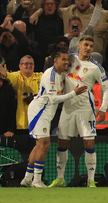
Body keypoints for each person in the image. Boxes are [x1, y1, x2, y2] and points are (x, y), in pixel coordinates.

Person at [20, 44, 87, 188]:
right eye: (63, 59)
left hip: (46, 112)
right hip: (39, 111)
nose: (66, 62)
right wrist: (74, 93)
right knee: (44, 144)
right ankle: (37, 181)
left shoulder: (61, 74)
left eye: (67, 59)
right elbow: (53, 99)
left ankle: (27, 179)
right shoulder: (50, 74)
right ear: (55, 61)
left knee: (39, 145)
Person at [49, 35, 108, 188]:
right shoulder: (69, 59)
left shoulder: (96, 67)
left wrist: (103, 109)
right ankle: (60, 178)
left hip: (85, 109)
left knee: (89, 144)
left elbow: (107, 88)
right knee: (62, 143)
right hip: (68, 108)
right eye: (86, 45)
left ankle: (91, 180)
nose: (88, 48)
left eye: (91, 45)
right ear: (79, 46)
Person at [0, 55, 43, 135]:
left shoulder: (40, 76)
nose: (29, 66)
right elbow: (10, 77)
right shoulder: (16, 76)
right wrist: (5, 74)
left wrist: (35, 98)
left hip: (38, 122)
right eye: (26, 63)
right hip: (21, 123)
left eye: (31, 64)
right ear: (20, 66)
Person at [0, 68, 16, 137]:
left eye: (0, 79)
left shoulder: (9, 90)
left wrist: (10, 129)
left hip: (4, 130)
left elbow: (12, 111)